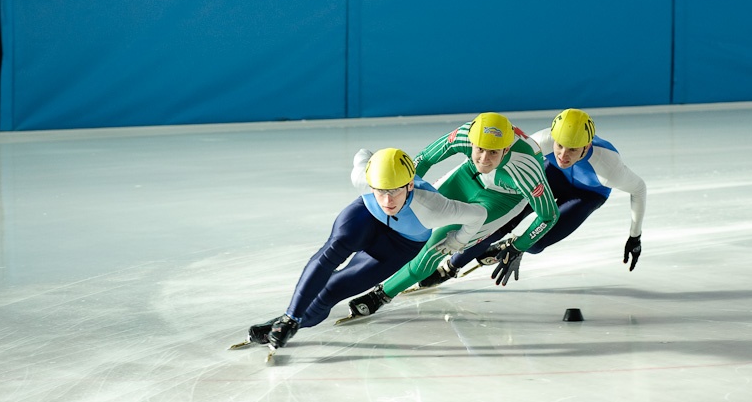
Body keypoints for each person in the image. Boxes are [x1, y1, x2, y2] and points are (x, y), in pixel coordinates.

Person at [242, 147, 488, 349]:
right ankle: (289, 318)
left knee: (331, 291)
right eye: (380, 191)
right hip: (366, 218)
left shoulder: (434, 207)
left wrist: (458, 240)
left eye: (395, 191)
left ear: (410, 185)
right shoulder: (363, 177)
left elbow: (479, 214)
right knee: (333, 251)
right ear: (371, 185)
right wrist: (291, 316)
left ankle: (290, 323)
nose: (388, 201)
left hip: (400, 244)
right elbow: (362, 154)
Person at [345, 112, 560, 318]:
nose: (484, 159)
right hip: (466, 176)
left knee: (439, 244)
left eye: (493, 152)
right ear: (472, 142)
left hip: (503, 199)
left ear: (506, 149)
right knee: (416, 218)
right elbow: (424, 158)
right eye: (480, 149)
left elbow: (548, 216)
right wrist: (405, 192)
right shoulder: (465, 134)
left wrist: (517, 246)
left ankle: (382, 294)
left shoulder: (526, 168)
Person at [430, 107, 646, 281]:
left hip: (588, 193)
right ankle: (451, 267)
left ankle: (510, 246)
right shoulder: (542, 140)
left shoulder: (608, 168)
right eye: (560, 145)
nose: (563, 155)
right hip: (551, 177)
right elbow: (507, 158)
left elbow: (639, 189)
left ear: (587, 145)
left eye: (573, 149)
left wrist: (635, 236)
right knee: (501, 221)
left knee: (535, 244)